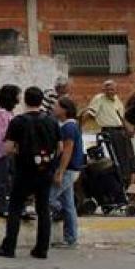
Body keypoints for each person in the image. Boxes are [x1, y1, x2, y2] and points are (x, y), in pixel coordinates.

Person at [0, 86, 59, 259]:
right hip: (45, 170)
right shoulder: (51, 121)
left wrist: (20, 152)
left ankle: (9, 246)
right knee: (43, 209)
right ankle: (42, 249)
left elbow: (7, 148)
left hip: (24, 171)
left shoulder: (18, 121)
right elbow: (59, 147)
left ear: (25, 100)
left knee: (15, 207)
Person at [50, 97, 85, 249]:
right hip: (71, 169)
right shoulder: (67, 126)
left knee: (48, 198)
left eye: (57, 106)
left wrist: (60, 172)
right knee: (68, 203)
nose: (54, 108)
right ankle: (70, 238)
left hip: (68, 169)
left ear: (64, 110)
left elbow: (67, 152)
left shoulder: (68, 128)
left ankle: (61, 213)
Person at [0, 84, 21, 217]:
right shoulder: (1, 112)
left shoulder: (8, 112)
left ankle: (9, 205)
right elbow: (4, 134)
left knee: (9, 179)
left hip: (8, 150)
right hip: (2, 151)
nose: (20, 97)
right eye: (17, 94)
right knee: (2, 179)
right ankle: (3, 207)